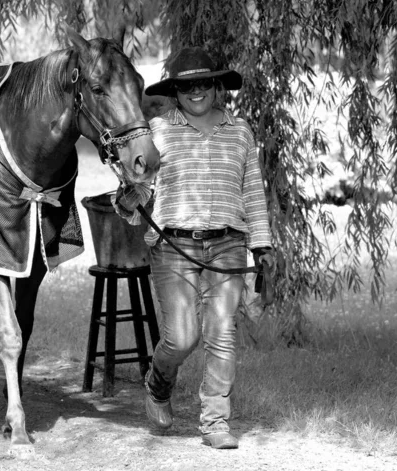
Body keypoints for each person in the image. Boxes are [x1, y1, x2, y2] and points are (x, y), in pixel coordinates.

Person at [115, 47, 274, 449]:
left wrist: (262, 245)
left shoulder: (241, 132)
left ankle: (216, 423)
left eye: (204, 82)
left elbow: (253, 192)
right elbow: (136, 195)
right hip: (172, 247)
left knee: (222, 332)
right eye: (187, 85)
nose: (196, 91)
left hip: (228, 246)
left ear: (217, 85)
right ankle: (158, 382)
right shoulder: (157, 132)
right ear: (174, 91)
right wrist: (129, 199)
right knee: (181, 338)